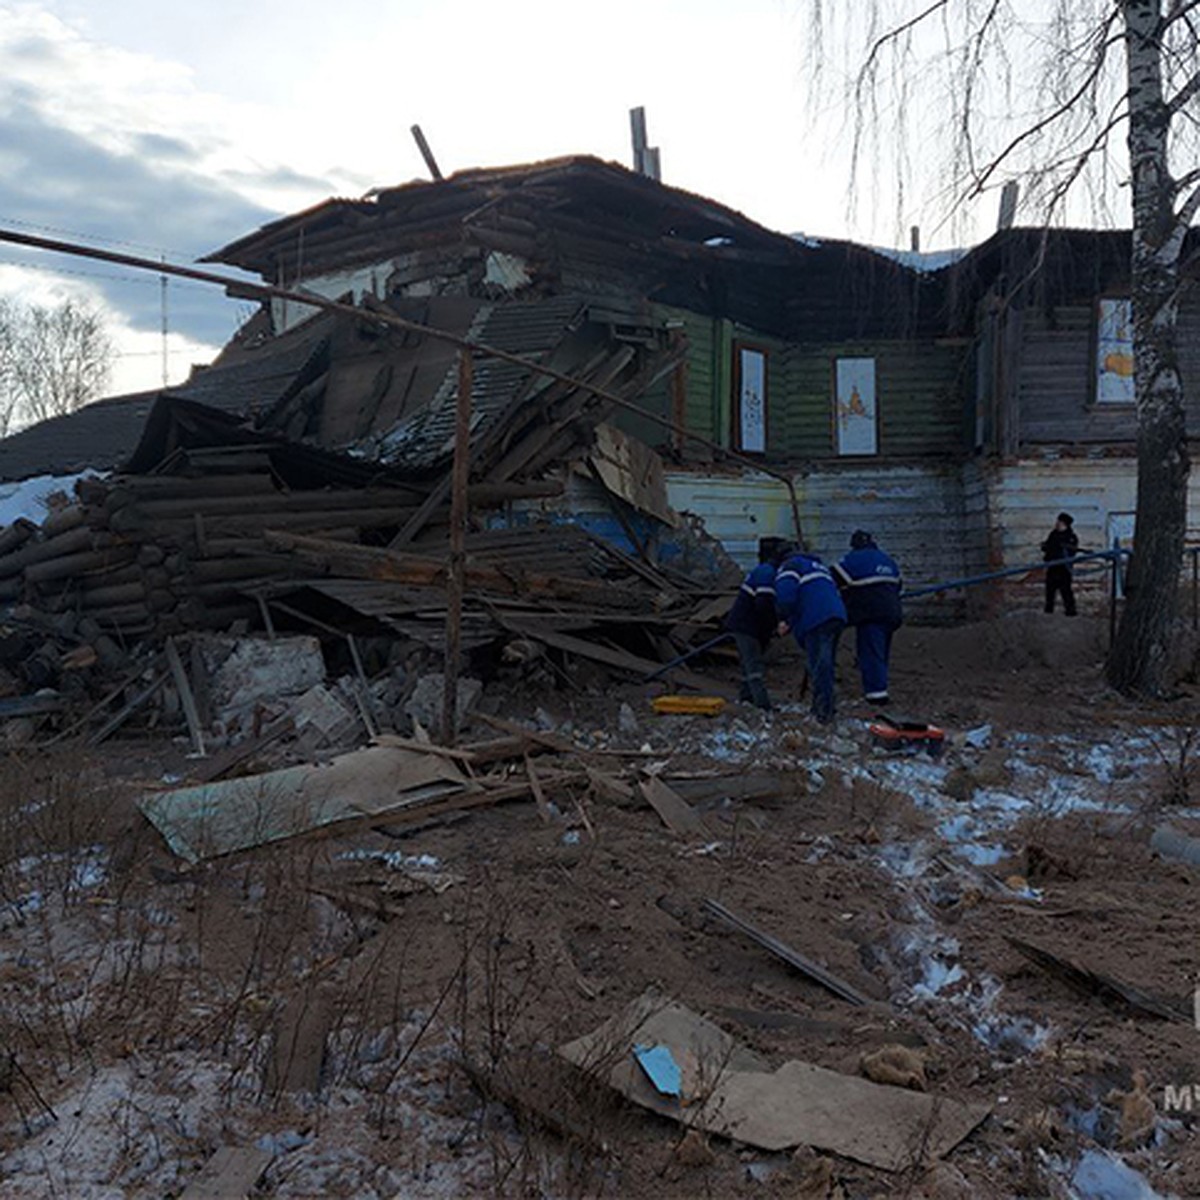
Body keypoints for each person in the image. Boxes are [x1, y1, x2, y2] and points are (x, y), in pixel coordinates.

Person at [774, 547, 848, 723]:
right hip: (837, 615)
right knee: (826, 664)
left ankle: (823, 712)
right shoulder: (820, 567)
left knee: (820, 666)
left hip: (817, 618)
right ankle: (824, 706)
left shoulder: (791, 566)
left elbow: (785, 595)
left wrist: (783, 618)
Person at [833, 530, 903, 705]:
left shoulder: (852, 559)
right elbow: (899, 585)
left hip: (871, 614)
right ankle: (881, 685)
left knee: (870, 653)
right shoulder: (888, 560)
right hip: (893, 612)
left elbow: (832, 578)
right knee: (881, 653)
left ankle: (876, 695)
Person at [724, 537, 790, 710]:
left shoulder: (765, 571)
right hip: (747, 625)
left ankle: (746, 698)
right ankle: (762, 704)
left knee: (749, 663)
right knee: (754, 665)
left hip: (744, 624)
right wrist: (772, 626)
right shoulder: (767, 573)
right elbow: (763, 605)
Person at [1042, 512, 1079, 616]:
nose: (1057, 524)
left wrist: (1061, 553)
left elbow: (1071, 552)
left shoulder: (1071, 537)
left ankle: (1070, 611)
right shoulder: (1053, 534)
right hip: (1052, 566)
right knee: (1050, 590)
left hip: (1064, 568)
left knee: (1066, 590)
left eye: (1060, 522)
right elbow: (1048, 547)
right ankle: (1048, 611)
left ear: (1065, 524)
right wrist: (1046, 548)